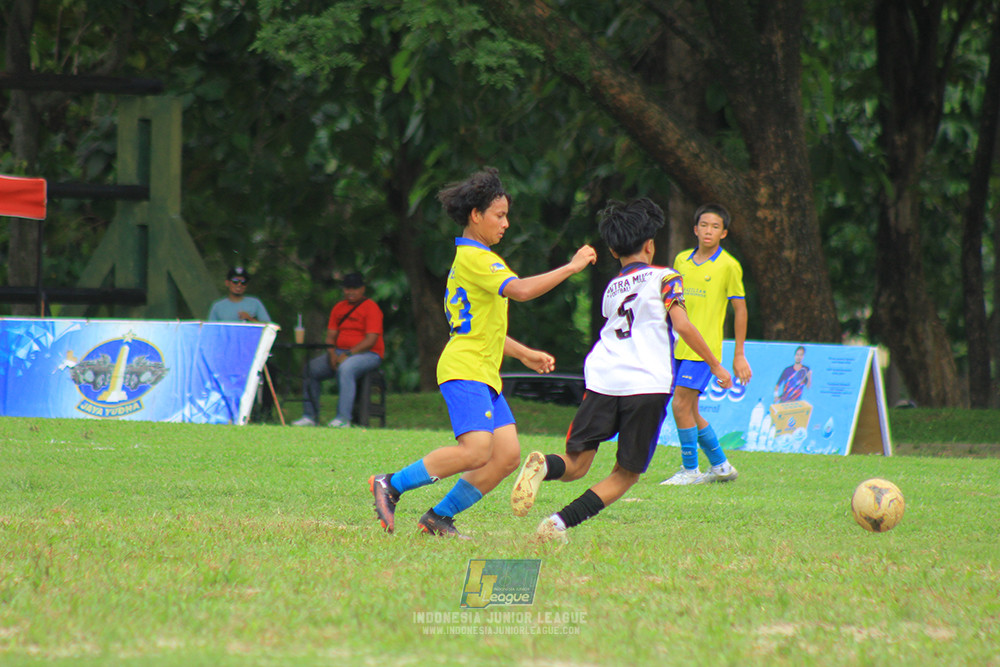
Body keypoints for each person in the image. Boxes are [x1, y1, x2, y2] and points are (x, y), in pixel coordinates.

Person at [368, 167, 597, 537]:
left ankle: (438, 518)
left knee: (506, 456)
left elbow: (482, 330)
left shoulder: (470, 261)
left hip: (482, 371)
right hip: (466, 369)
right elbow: (520, 291)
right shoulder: (479, 258)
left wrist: (522, 353)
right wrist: (571, 267)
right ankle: (391, 484)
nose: (505, 223)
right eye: (500, 215)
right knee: (476, 451)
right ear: (476, 216)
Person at [509, 197, 732, 544]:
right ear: (650, 245)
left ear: (613, 252)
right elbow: (683, 326)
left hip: (603, 378)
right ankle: (556, 525)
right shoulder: (667, 277)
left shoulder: (613, 288)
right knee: (625, 474)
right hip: (645, 383)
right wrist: (716, 364)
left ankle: (546, 466)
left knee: (576, 463)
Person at [660, 203, 752, 485]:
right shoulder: (681, 261)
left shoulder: (729, 266)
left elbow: (740, 310)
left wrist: (738, 355)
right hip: (678, 346)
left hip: (704, 349)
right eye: (704, 225)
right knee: (690, 409)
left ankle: (690, 470)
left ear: (723, 233)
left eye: (715, 226)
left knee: (679, 406)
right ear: (695, 229)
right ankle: (722, 466)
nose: (708, 231)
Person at [291, 272, 384, 428]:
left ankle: (343, 418)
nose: (350, 292)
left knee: (346, 369)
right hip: (339, 352)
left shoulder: (371, 308)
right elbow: (331, 336)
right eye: (347, 288)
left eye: (354, 288)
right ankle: (310, 416)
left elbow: (371, 340)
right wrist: (332, 354)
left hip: (368, 355)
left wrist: (347, 355)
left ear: (362, 289)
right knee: (311, 369)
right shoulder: (339, 308)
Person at [206, 266, 271, 323]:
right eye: (235, 281)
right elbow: (211, 330)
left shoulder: (255, 303)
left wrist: (250, 319)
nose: (239, 285)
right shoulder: (218, 306)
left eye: (243, 282)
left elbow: (268, 328)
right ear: (227, 283)